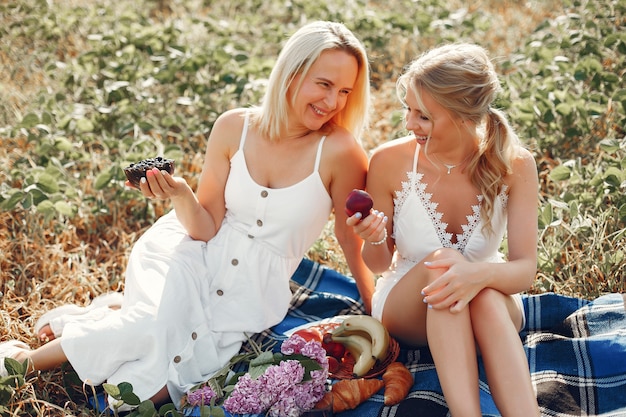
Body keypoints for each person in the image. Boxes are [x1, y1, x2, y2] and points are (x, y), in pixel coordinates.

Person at [0, 20, 376, 409]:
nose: (333, 102)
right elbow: (205, 226)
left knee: (150, 392)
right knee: (150, 327)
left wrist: (372, 305)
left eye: (345, 91)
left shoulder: (340, 151)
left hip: (253, 291)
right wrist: (181, 194)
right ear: (291, 73)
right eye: (324, 84)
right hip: (192, 252)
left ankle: (100, 317)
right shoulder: (235, 127)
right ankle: (21, 362)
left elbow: (351, 236)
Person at [347, 43, 541, 416]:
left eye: (423, 116)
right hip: (407, 305)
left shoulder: (516, 164)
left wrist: (475, 275)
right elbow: (377, 264)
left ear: (464, 116)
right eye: (408, 110)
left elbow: (524, 270)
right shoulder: (389, 161)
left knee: (477, 291)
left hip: (492, 302)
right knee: (443, 265)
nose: (408, 123)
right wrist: (372, 238)